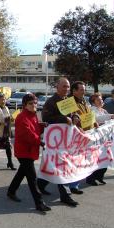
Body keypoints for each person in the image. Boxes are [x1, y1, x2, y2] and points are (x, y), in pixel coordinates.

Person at [37, 78, 80, 207]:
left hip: (67, 140)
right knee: (62, 167)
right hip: (55, 142)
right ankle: (65, 196)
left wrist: (75, 117)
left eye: (68, 87)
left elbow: (74, 114)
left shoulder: (69, 101)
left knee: (54, 165)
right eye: (64, 86)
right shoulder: (50, 102)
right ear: (57, 87)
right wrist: (63, 118)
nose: (66, 89)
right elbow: (46, 119)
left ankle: (39, 184)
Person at [7, 93, 51, 212]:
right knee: (32, 178)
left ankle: (11, 191)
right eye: (30, 103)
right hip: (24, 152)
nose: (34, 105)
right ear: (25, 105)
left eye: (35, 103)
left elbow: (34, 128)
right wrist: (40, 142)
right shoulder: (22, 117)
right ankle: (39, 203)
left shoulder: (33, 115)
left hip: (30, 150)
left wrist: (42, 126)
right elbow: (28, 134)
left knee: (21, 173)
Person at [87, 92, 114, 185]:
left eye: (101, 99)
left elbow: (109, 122)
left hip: (105, 139)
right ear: (93, 102)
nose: (101, 101)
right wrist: (110, 116)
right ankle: (91, 178)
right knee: (96, 159)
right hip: (96, 139)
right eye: (98, 100)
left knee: (105, 158)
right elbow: (97, 119)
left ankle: (100, 176)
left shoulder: (103, 110)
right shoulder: (91, 110)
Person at [0, 94, 16, 170]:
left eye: (4, 99)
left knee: (8, 147)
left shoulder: (7, 108)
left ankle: (10, 162)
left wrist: (11, 120)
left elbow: (8, 118)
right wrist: (1, 122)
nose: (3, 101)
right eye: (2, 99)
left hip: (6, 132)